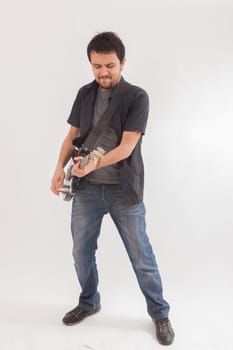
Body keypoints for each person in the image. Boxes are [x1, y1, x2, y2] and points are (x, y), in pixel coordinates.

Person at [51, 31, 175, 346]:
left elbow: (127, 146)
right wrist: (57, 169)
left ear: (122, 62)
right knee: (81, 252)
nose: (103, 72)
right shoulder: (84, 93)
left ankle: (160, 313)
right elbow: (72, 136)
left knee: (141, 255)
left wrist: (95, 163)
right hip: (87, 190)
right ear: (90, 64)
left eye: (109, 65)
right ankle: (89, 301)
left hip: (124, 191)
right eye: (96, 66)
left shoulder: (136, 97)